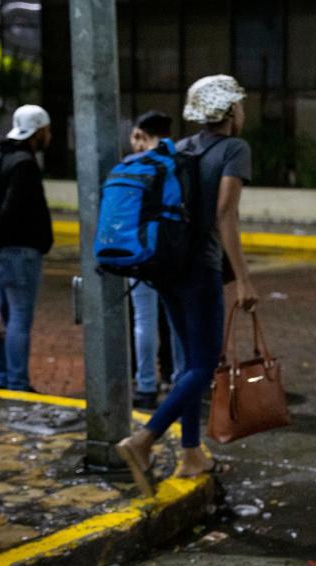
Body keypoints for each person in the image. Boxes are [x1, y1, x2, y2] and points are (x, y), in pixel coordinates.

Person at [115, 75, 258, 493]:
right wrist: (244, 279)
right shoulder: (235, 148)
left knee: (187, 365)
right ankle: (144, 440)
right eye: (240, 105)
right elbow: (224, 215)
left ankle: (191, 453)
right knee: (203, 365)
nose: (243, 112)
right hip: (200, 271)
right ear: (230, 111)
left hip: (168, 269)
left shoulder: (178, 148)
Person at [0, 104, 53, 392]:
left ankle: (3, 378)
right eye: (47, 130)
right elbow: (11, 207)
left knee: (0, 317)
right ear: (38, 132)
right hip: (20, 250)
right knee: (19, 318)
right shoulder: (24, 164)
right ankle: (18, 382)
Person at [126, 111, 186, 410]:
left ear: (139, 134)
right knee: (176, 321)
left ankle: (146, 386)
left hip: (137, 253)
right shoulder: (179, 161)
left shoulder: (132, 165)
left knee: (143, 320)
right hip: (171, 253)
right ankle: (179, 381)